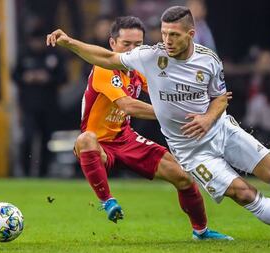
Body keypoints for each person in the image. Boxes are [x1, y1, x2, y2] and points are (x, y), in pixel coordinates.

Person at [46, 6, 270, 241]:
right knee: (244, 192)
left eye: (173, 35)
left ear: (190, 35)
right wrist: (69, 42)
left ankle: (209, 223)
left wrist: (208, 118)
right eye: (164, 34)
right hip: (190, 148)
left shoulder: (209, 60)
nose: (167, 41)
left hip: (219, 128)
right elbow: (110, 65)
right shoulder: (148, 58)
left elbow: (221, 98)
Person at [72, 16, 231, 240]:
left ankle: (201, 231)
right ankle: (107, 202)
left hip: (125, 138)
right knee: (84, 139)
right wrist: (171, 114)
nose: (132, 50)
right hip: (99, 145)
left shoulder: (138, 70)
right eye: (126, 44)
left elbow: (167, 90)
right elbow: (127, 106)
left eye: (138, 45)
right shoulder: (103, 69)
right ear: (112, 44)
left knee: (183, 177)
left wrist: (204, 103)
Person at [13, 28, 67, 177]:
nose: (37, 44)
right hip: (29, 106)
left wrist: (48, 78)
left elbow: (63, 77)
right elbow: (14, 75)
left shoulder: (55, 55)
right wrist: (26, 77)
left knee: (46, 140)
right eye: (34, 40)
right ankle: (25, 172)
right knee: (28, 138)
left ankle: (43, 172)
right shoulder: (23, 55)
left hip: (49, 106)